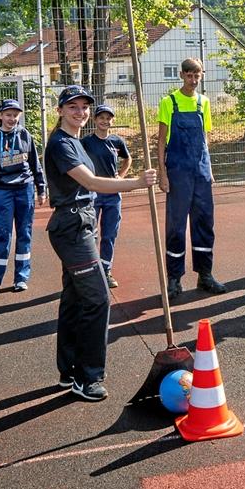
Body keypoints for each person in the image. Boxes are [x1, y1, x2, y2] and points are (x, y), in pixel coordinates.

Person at [44, 85, 157, 401]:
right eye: (72, 107)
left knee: (74, 299)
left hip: (83, 222)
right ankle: (88, 377)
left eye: (83, 107)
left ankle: (68, 371)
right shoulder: (61, 144)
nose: (79, 112)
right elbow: (91, 183)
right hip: (71, 228)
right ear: (60, 111)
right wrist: (135, 183)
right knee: (97, 299)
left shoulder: (77, 142)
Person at [157, 58, 227, 299]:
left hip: (201, 172)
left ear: (202, 75)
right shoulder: (169, 102)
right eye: (189, 75)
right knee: (176, 226)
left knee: (205, 223)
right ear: (181, 75)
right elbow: (160, 142)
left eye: (197, 75)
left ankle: (205, 275)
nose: (193, 80)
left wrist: (209, 170)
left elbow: (206, 138)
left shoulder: (204, 102)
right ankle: (174, 279)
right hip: (177, 172)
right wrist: (162, 174)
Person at [0, 98, 46, 296]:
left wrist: (41, 188)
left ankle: (21, 278)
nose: (12, 118)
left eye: (15, 115)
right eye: (8, 114)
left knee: (25, 233)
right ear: (0, 116)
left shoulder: (25, 135)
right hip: (1, 192)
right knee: (3, 236)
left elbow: (35, 162)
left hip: (24, 189)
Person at [81, 104, 132, 289]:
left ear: (113, 120)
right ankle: (91, 270)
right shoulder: (86, 141)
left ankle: (106, 270)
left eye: (108, 118)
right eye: (101, 118)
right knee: (91, 234)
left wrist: (121, 176)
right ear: (95, 120)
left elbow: (128, 159)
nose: (105, 121)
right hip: (93, 193)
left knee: (109, 235)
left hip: (113, 194)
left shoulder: (117, 141)